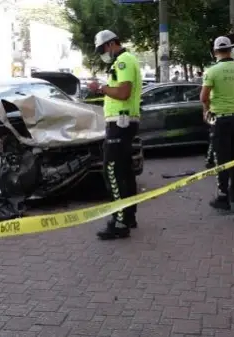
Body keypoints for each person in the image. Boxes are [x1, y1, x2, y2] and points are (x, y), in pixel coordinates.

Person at [88, 29, 141, 240]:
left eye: (102, 49)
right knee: (125, 172)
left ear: (110, 44)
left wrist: (100, 88)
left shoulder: (123, 61)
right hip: (124, 122)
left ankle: (120, 222)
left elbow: (123, 92)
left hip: (120, 123)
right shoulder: (126, 60)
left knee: (112, 171)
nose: (102, 53)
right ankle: (128, 216)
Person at [200, 36, 234, 211]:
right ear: (231, 50)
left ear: (215, 51)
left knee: (221, 159)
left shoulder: (211, 71)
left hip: (220, 119)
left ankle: (223, 197)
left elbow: (203, 97)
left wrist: (207, 109)